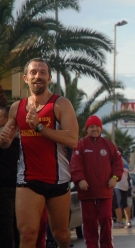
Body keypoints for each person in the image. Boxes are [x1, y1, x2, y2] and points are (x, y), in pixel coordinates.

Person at [0, 58, 78, 248]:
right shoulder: (16, 108)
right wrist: (4, 139)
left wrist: (40, 127)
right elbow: (6, 141)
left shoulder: (61, 104)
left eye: (43, 72)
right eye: (34, 72)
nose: (38, 76)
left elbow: (72, 140)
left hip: (57, 179)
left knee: (61, 235)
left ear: (49, 78)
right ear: (26, 78)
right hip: (28, 179)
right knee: (27, 233)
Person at [70, 115, 123, 248]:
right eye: (91, 127)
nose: (94, 129)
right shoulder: (81, 145)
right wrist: (80, 179)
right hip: (87, 193)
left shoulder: (108, 145)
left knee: (106, 219)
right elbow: (75, 165)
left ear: (101, 128)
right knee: (89, 223)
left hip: (105, 191)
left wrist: (115, 178)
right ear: (87, 129)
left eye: (97, 126)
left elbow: (118, 163)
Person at [0, 106, 20, 247]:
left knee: (8, 223)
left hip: (9, 187)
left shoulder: (15, 141)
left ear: (7, 120)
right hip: (10, 187)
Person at [113, 147, 133, 229]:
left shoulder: (115, 160)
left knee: (117, 204)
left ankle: (120, 222)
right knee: (124, 204)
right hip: (125, 185)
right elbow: (128, 176)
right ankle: (128, 222)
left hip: (117, 185)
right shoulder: (125, 161)